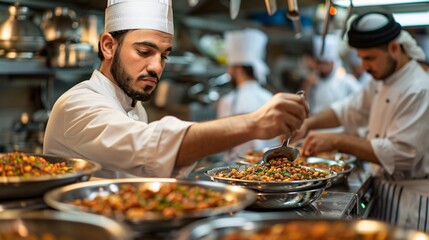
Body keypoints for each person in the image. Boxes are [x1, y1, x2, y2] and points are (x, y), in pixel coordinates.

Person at [43, 0, 309, 178]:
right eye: (144, 51)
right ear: (108, 46)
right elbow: (151, 146)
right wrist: (254, 123)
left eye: (164, 55)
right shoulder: (78, 104)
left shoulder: (135, 107)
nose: (157, 67)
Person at [293, 11, 429, 232]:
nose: (364, 66)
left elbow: (400, 154)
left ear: (394, 48)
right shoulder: (382, 79)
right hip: (385, 193)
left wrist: (337, 140)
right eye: (361, 57)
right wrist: (309, 123)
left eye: (370, 58)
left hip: (412, 205)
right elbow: (347, 110)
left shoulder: (418, 88)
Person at [216, 28, 280, 161]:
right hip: (268, 167)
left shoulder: (229, 100)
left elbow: (221, 139)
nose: (228, 72)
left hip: (236, 169)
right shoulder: (269, 97)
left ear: (238, 69)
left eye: (230, 67)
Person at [300, 34, 361, 115]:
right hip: (315, 124)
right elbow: (303, 106)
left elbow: (362, 102)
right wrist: (307, 85)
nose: (321, 67)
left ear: (333, 63)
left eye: (325, 63)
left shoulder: (346, 81)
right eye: (319, 63)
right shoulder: (312, 81)